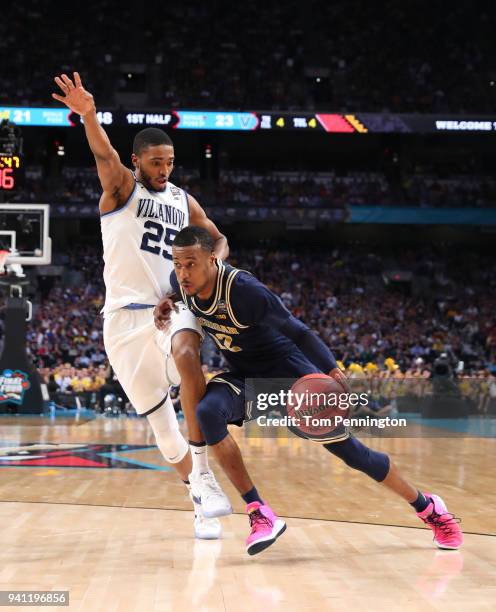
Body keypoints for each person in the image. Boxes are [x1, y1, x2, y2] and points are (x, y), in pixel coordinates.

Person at [155, 226, 463, 555]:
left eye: (191, 264)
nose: (183, 273)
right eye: (178, 265)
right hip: (247, 378)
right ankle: (260, 513)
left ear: (212, 260)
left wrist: (331, 370)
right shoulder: (182, 285)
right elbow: (178, 290)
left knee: (353, 455)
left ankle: (429, 508)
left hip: (291, 377)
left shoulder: (245, 291)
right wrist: (167, 300)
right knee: (206, 412)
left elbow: (300, 333)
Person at [52, 73, 231, 539]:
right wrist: (88, 114)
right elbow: (104, 154)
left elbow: (219, 238)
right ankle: (197, 495)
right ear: (138, 162)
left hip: (169, 313)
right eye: (156, 162)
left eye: (170, 162)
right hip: (122, 322)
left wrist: (210, 267)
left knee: (190, 361)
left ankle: (208, 477)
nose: (165, 170)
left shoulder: (181, 199)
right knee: (164, 431)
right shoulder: (121, 189)